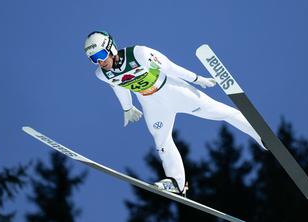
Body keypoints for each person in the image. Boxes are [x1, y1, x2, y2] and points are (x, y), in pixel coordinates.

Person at [84, 31, 266, 196]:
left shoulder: (139, 54)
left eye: (100, 55)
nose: (100, 62)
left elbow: (170, 67)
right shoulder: (102, 74)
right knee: (161, 140)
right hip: (152, 104)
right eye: (93, 59)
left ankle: (260, 135)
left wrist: (197, 79)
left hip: (174, 92)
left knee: (220, 112)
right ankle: (176, 183)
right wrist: (127, 108)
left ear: (111, 48)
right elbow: (118, 86)